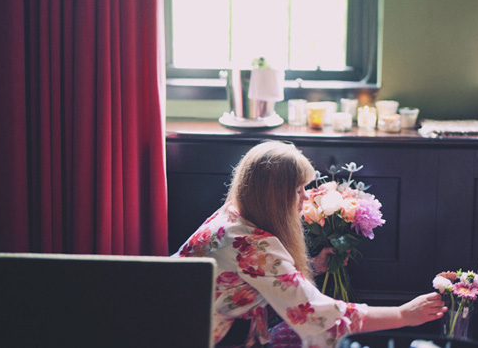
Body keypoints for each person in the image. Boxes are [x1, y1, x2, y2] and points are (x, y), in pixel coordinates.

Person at [175, 141, 446, 347]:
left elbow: (254, 277)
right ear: (274, 198)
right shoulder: (253, 245)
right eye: (297, 191)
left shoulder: (235, 212)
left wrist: (313, 266)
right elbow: (315, 314)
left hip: (178, 317)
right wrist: (402, 315)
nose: (305, 198)